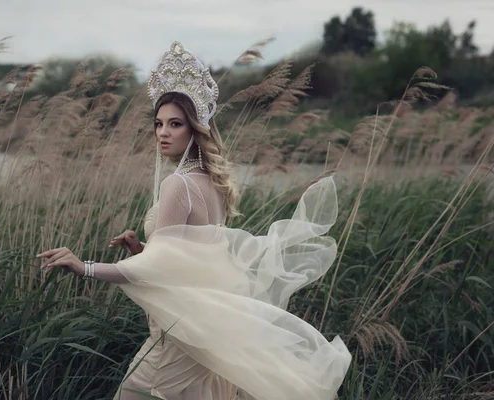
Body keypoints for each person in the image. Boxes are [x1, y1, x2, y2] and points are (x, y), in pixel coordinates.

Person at [37, 41, 351, 400]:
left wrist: (85, 267)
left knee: (135, 392)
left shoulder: (178, 185)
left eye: (175, 124)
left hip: (178, 333)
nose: (163, 133)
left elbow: (156, 269)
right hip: (206, 329)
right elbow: (192, 258)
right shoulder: (215, 182)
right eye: (158, 124)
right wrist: (143, 248)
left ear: (195, 129)